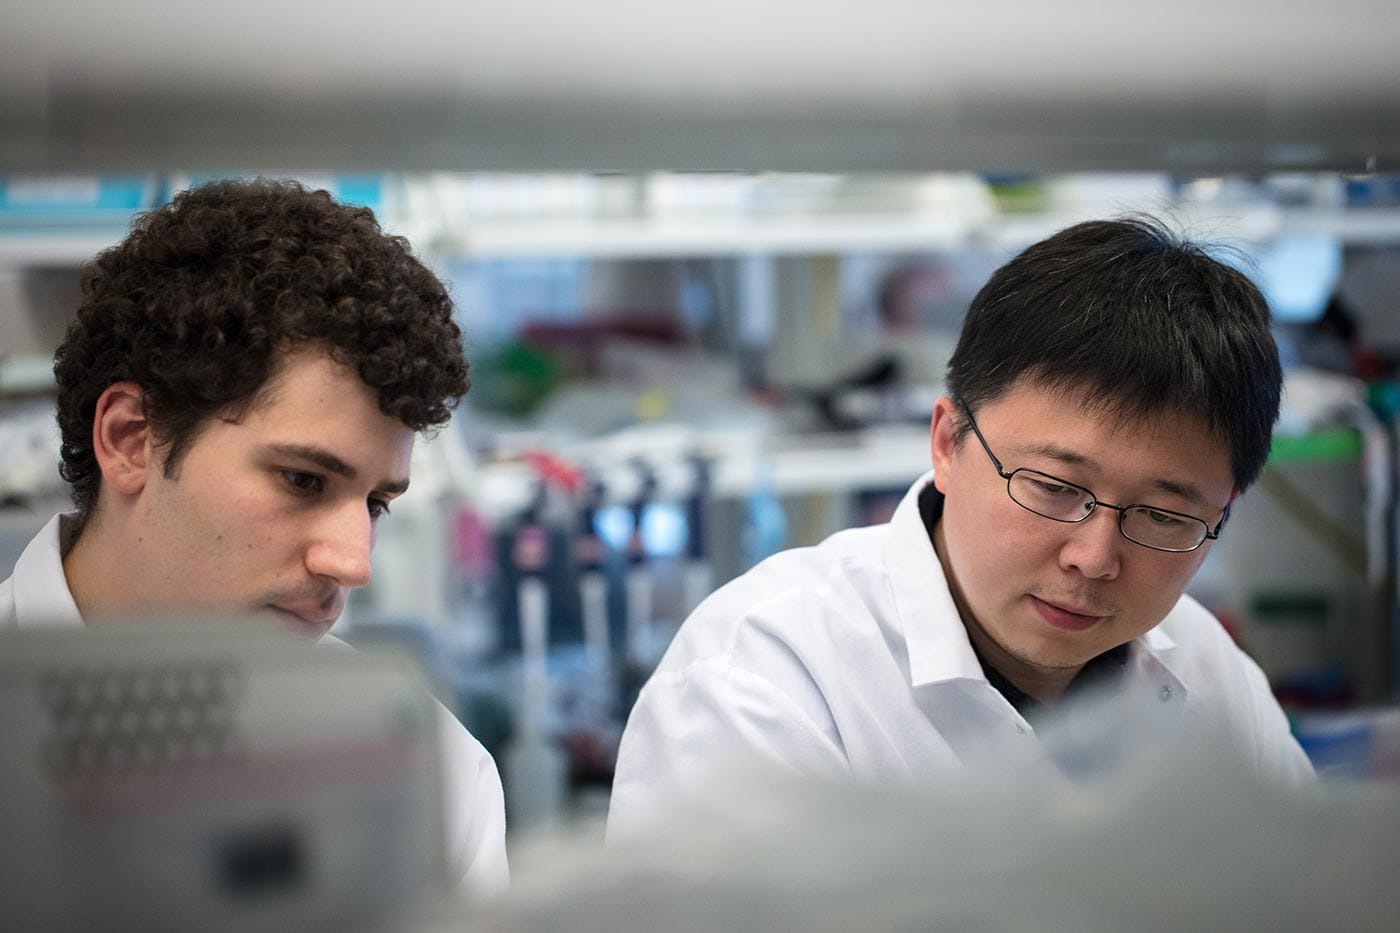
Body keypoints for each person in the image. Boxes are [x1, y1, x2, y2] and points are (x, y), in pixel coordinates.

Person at [608, 217, 1315, 841]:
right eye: (1054, 487)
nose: (1095, 557)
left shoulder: (1207, 675)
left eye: (1164, 515)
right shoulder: (765, 681)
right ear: (947, 442)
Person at [0, 178, 509, 892]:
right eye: (303, 479)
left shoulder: (434, 776)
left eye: (376, 504)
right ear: (129, 439)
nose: (353, 562)